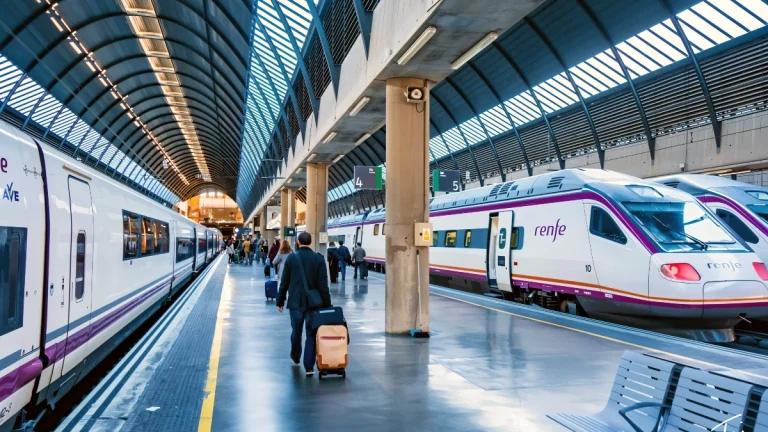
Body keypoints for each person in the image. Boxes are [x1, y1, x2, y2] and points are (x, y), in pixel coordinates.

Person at [276, 232, 330, 377]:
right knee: (311, 333)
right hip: (314, 303)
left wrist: (280, 301)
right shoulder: (318, 259)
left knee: (296, 331)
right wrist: (327, 304)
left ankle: (295, 355)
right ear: (310, 242)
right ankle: (309, 366)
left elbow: (284, 282)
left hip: (295, 302)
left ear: (298, 242)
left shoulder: (291, 258)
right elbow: (323, 286)